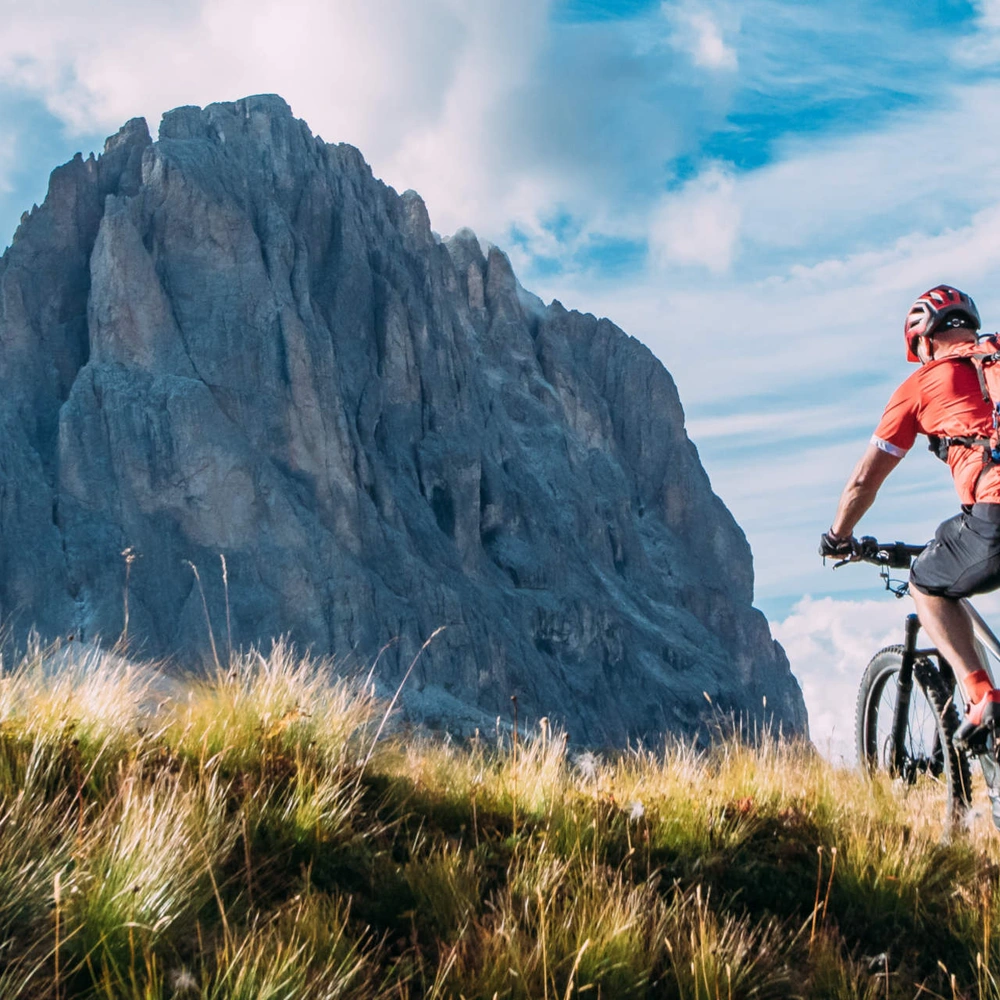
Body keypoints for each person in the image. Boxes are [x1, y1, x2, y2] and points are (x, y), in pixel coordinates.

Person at [820, 285, 1000, 748]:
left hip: (993, 514)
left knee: (927, 582)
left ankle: (980, 697)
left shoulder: (921, 385)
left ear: (924, 340)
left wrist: (839, 536)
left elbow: (864, 481)